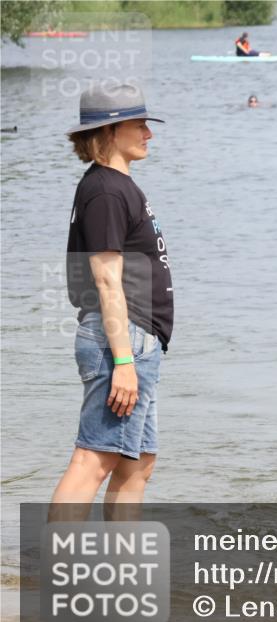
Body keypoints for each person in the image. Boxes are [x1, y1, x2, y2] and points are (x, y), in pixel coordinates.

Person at [52, 82, 174, 520]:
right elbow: (106, 282)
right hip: (120, 342)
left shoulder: (116, 186)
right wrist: (123, 362)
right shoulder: (105, 190)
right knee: (93, 461)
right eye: (140, 124)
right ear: (110, 130)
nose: (148, 134)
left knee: (137, 463)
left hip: (138, 341)